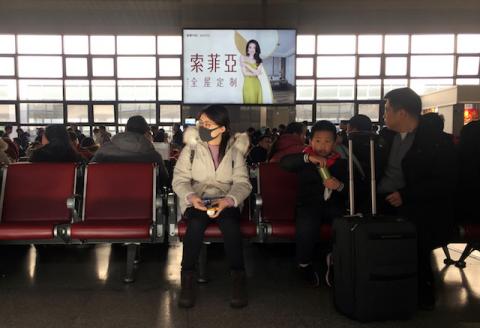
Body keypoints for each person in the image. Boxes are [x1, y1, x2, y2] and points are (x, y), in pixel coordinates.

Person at [378, 87, 457, 310]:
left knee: (414, 235)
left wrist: (406, 196)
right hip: (384, 199)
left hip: (420, 206)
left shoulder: (437, 142)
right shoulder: (385, 138)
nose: (384, 115)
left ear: (401, 113)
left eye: (387, 109)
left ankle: (418, 291)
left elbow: (445, 182)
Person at [172, 105, 252, 309]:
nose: (202, 128)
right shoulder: (190, 150)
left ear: (222, 128)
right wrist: (191, 196)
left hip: (226, 200)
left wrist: (228, 200)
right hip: (197, 199)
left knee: (230, 225)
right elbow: (179, 179)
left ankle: (238, 279)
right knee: (196, 224)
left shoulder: (235, 153)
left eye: (208, 124)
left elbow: (243, 183)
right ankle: (187, 279)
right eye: (201, 123)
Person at [280, 120, 348, 287]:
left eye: (327, 141)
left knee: (343, 223)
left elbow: (354, 190)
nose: (322, 146)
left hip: (333, 205)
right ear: (310, 141)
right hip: (308, 205)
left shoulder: (341, 162)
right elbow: (284, 163)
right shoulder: (304, 159)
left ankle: (334, 261)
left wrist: (339, 186)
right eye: (317, 141)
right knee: (307, 224)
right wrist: (308, 157)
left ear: (335, 142)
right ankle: (304, 264)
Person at [91, 115, 168, 184]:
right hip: (141, 197)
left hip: (106, 195)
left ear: (126, 128)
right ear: (145, 132)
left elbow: (91, 171)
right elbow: (164, 179)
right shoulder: (153, 156)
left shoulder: (104, 150)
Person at [241, 39, 263, 104]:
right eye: (250, 47)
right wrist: (256, 72)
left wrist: (247, 65)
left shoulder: (259, 61)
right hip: (248, 84)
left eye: (254, 47)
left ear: (256, 49)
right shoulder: (242, 57)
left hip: (256, 84)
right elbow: (245, 73)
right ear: (247, 48)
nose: (252, 49)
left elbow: (257, 73)